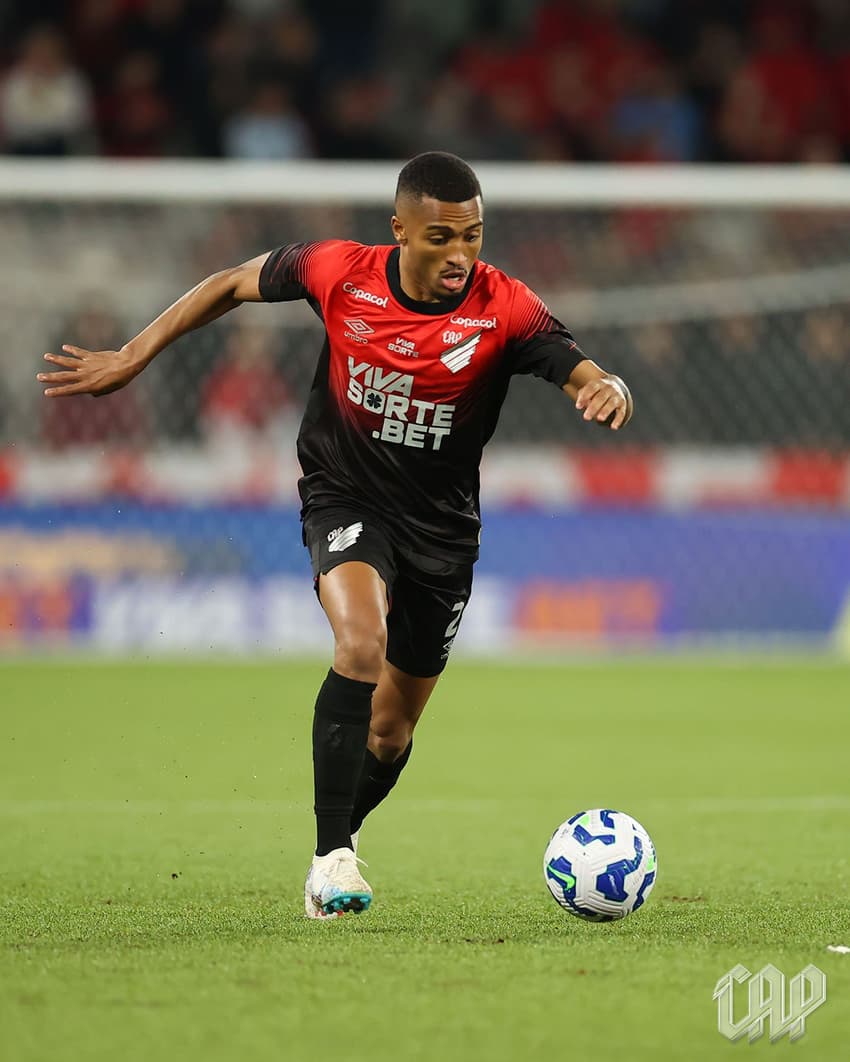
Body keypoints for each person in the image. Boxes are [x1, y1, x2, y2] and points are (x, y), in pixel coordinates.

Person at [38, 151, 633, 920]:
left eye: (472, 236)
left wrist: (608, 387)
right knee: (359, 644)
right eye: (441, 237)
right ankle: (332, 859)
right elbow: (230, 283)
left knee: (391, 730)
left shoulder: (504, 307)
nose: (460, 254)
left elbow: (581, 368)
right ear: (401, 231)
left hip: (442, 531)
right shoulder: (340, 273)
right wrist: (132, 355)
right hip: (345, 495)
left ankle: (337, 841)